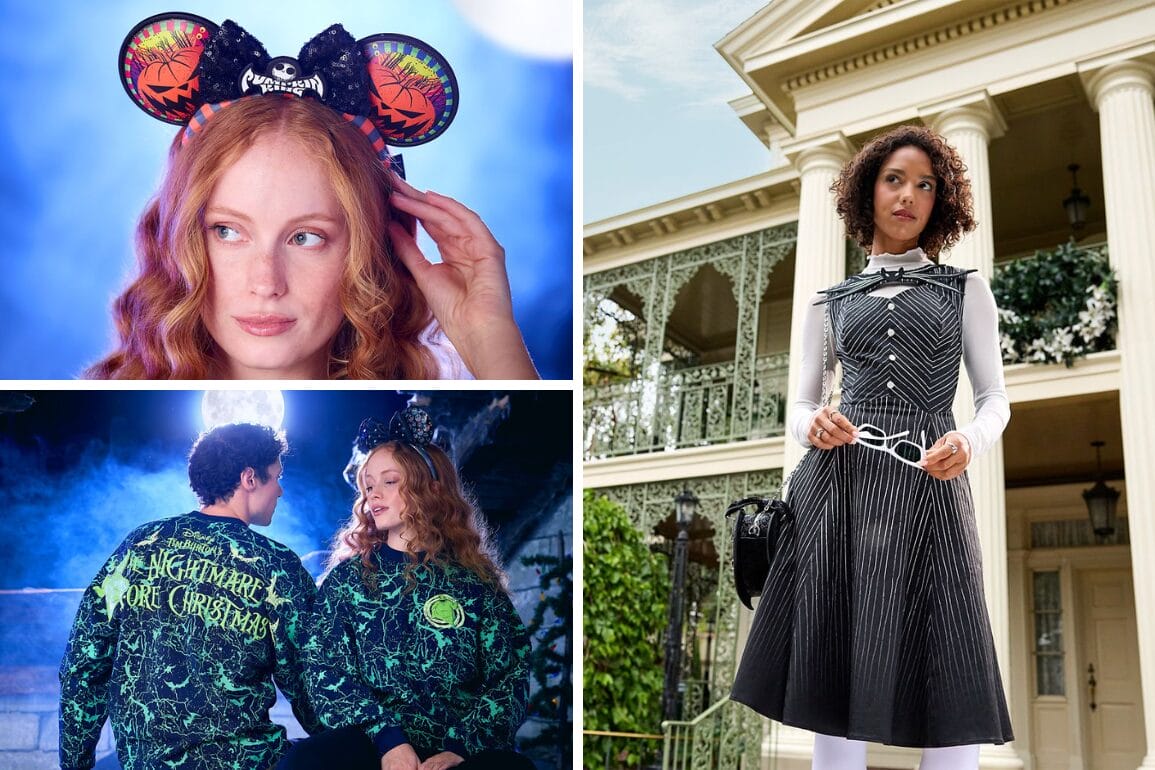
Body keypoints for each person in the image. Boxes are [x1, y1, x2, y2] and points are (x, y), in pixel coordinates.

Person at [730, 125, 1014, 769]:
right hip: (836, 486)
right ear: (867, 192)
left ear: (941, 202)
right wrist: (813, 426)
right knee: (833, 650)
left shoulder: (965, 290)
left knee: (949, 645)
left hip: (930, 483)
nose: (909, 195)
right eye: (894, 180)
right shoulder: (828, 300)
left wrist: (968, 440)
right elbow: (800, 405)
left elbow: (996, 397)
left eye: (925, 185)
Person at [85, 16, 538, 380]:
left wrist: (489, 339)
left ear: (369, 249)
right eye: (227, 231)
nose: (266, 283)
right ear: (180, 238)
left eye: (306, 237)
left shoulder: (446, 379)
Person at [281, 407, 533, 770]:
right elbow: (325, 670)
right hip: (371, 746)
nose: (373, 495)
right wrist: (388, 741)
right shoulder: (347, 582)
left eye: (389, 481)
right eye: (368, 485)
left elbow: (510, 676)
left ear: (430, 488)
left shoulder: (475, 584)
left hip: (459, 753)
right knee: (306, 760)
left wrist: (460, 749)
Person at [59, 423, 321, 770]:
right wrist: (364, 742)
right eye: (276, 476)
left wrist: (75, 764)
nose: (280, 490)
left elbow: (85, 658)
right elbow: (312, 681)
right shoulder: (275, 565)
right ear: (249, 478)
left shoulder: (140, 545)